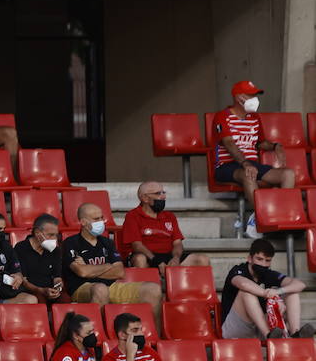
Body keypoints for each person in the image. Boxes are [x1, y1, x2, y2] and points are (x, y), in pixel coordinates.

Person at [212, 80, 294, 237]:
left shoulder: (254, 118)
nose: (255, 99)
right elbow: (228, 142)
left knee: (287, 174)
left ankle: (280, 217)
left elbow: (261, 142)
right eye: (251, 95)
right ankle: (263, 219)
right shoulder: (222, 116)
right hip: (227, 166)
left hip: (252, 164)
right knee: (249, 174)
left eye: (255, 95)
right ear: (239, 97)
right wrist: (244, 163)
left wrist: (275, 146)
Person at [61, 204, 162, 324]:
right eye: (96, 219)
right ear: (83, 222)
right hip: (82, 288)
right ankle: (97, 336)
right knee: (100, 289)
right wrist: (108, 266)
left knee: (153, 289)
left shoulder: (107, 242)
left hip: (112, 287)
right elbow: (82, 272)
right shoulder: (70, 243)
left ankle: (155, 337)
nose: (101, 222)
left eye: (101, 218)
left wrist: (90, 270)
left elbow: (119, 272)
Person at [219, 239, 312, 340]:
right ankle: (269, 336)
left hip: (258, 327)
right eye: (259, 259)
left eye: (267, 260)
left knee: (292, 293)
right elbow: (243, 283)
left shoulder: (268, 274)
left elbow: (300, 284)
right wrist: (269, 295)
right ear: (250, 258)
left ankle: (295, 334)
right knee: (246, 293)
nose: (263, 264)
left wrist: (278, 292)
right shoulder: (238, 270)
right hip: (234, 328)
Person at [120, 181, 211, 270]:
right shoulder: (132, 216)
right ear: (144, 198)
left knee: (202, 259)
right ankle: (147, 285)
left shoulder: (170, 216)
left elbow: (177, 243)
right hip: (147, 256)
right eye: (158, 193)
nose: (163, 196)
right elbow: (137, 246)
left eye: (164, 192)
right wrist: (156, 261)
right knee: (140, 259)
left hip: (169, 256)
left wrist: (176, 258)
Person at [13, 214, 66, 305]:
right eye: (50, 235)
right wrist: (41, 291)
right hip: (31, 291)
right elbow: (24, 281)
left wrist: (58, 287)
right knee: (40, 300)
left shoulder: (55, 250)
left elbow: (57, 277)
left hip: (50, 291)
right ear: (37, 233)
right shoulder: (21, 248)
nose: (54, 239)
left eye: (56, 235)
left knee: (67, 301)